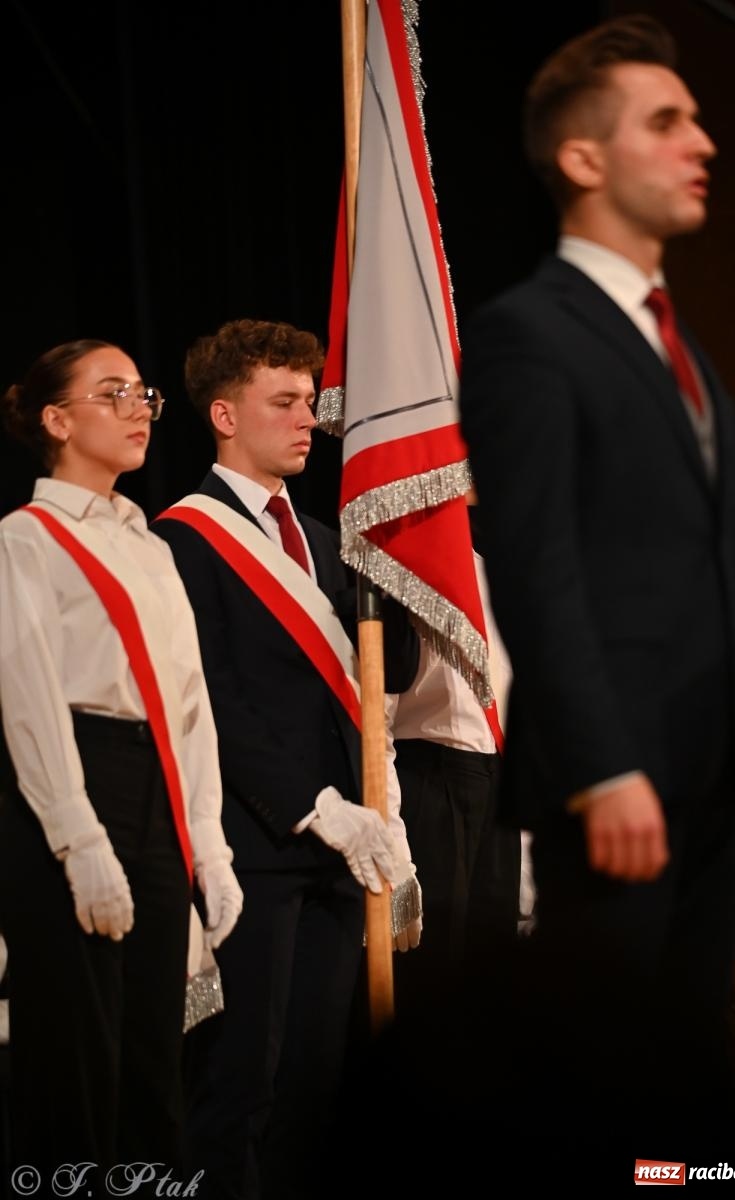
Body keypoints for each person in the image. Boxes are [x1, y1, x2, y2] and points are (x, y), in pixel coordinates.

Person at [457, 13, 735, 1168]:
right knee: (601, 1092)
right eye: (668, 120)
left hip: (714, 782)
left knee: (681, 1100)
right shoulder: (527, 336)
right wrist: (602, 764)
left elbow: (718, 573)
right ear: (584, 160)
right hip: (615, 786)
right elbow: (538, 568)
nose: (702, 141)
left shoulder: (680, 345)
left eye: (699, 116)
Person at [152, 318, 421, 1200]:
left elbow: (389, 678)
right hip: (257, 845)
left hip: (347, 851)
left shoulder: (320, 534)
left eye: (310, 401)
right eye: (284, 402)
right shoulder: (183, 539)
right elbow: (210, 700)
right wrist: (313, 802)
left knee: (318, 1085)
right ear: (224, 415)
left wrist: (400, 563)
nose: (308, 419)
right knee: (242, 1087)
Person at [0, 340, 243, 1187]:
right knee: (74, 1058)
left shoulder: (148, 544)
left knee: (151, 1057)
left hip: (158, 793)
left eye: (143, 393)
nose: (141, 407)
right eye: (114, 394)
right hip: (70, 786)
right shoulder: (23, 540)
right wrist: (76, 835)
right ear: (57, 420)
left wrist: (207, 846)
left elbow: (190, 707)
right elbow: (26, 693)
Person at [387, 502, 521, 1011]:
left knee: (493, 979)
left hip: (496, 781)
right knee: (433, 983)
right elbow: (374, 719)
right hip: (431, 781)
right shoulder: (397, 565)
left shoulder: (496, 568)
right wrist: (393, 854)